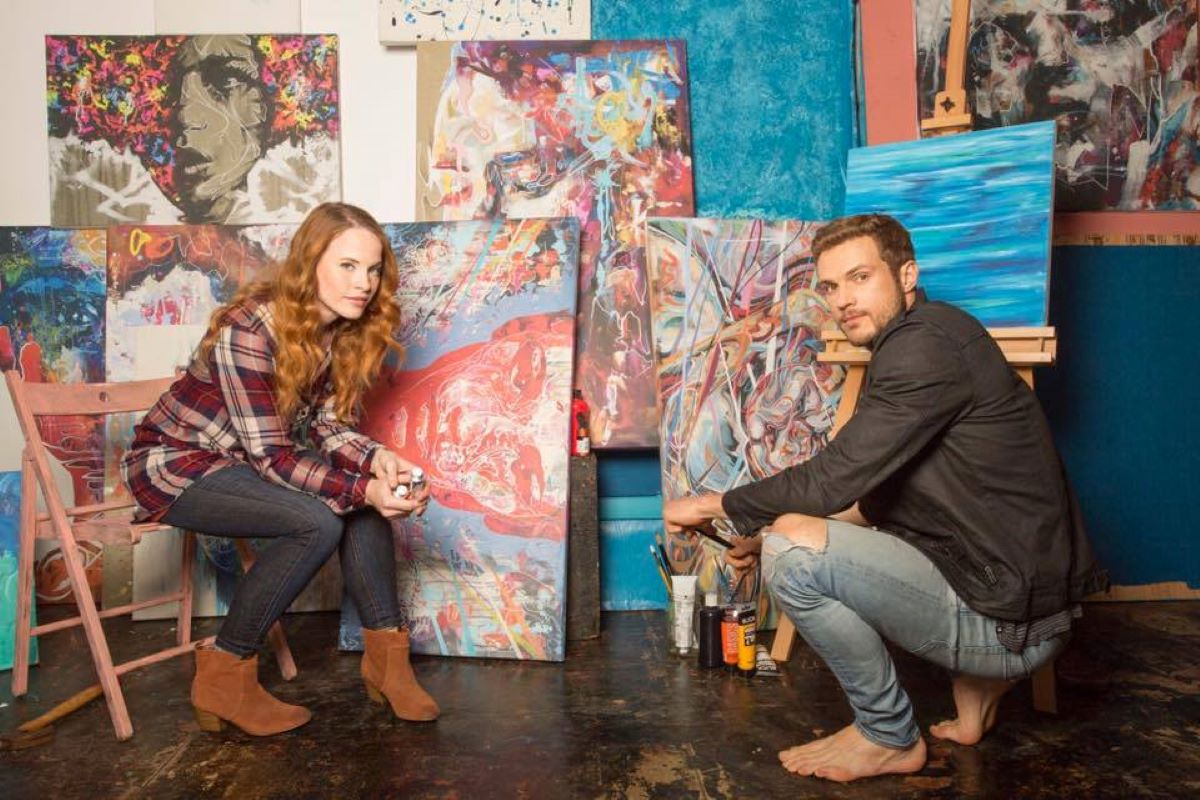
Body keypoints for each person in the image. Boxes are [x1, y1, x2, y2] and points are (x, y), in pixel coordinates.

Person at [663, 214, 1107, 783]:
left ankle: (887, 735)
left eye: (860, 277)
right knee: (785, 533)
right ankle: (978, 692)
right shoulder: (927, 338)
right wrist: (759, 530)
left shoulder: (924, 348)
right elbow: (874, 500)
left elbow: (831, 481)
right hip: (1014, 598)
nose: (843, 300)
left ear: (907, 275)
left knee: (792, 556)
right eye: (830, 286)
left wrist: (707, 504)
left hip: (1012, 622)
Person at [122, 202, 440, 736]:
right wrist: (363, 488)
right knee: (320, 520)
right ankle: (224, 678)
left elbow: (326, 426)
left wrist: (379, 462)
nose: (363, 283)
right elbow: (273, 456)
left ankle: (388, 665)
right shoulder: (250, 330)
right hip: (176, 464)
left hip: (242, 463)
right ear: (310, 263)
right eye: (347, 266)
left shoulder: (341, 331)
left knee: (358, 503)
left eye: (372, 269)